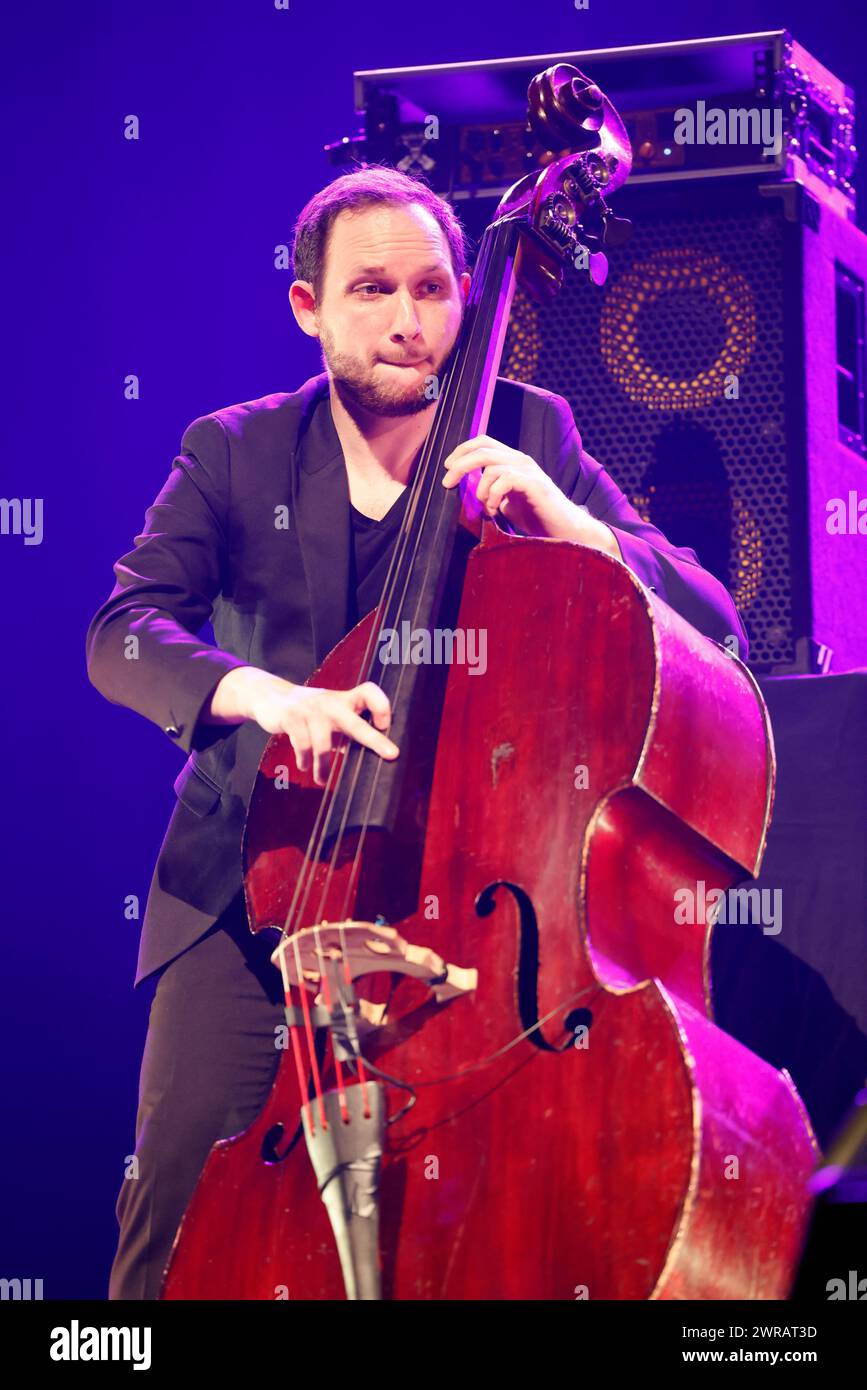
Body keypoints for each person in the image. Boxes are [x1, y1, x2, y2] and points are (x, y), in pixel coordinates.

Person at [86, 165, 748, 1299]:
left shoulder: (530, 427)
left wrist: (575, 521)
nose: (408, 322)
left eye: (434, 290)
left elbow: (713, 623)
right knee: (181, 1209)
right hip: (259, 899)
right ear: (308, 307)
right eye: (371, 291)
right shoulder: (235, 452)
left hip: (469, 899)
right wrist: (268, 696)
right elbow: (123, 633)